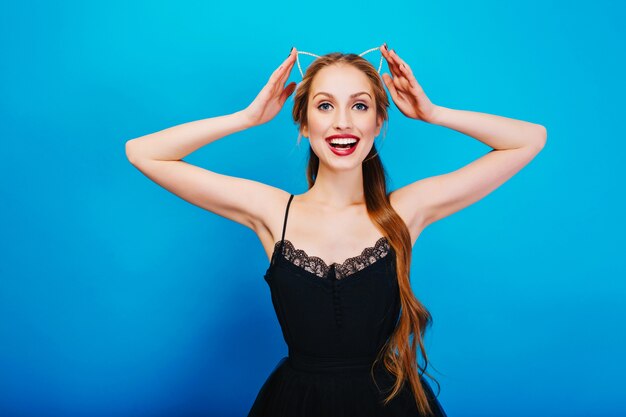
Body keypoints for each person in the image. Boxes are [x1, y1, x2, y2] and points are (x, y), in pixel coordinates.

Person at [125, 43, 547, 416]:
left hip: (390, 404)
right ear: (304, 123)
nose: (343, 121)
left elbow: (529, 139)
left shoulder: (404, 211)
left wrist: (433, 113)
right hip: (294, 402)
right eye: (325, 106)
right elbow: (144, 153)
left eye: (359, 106)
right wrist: (247, 117)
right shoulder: (273, 211)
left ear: (378, 122)